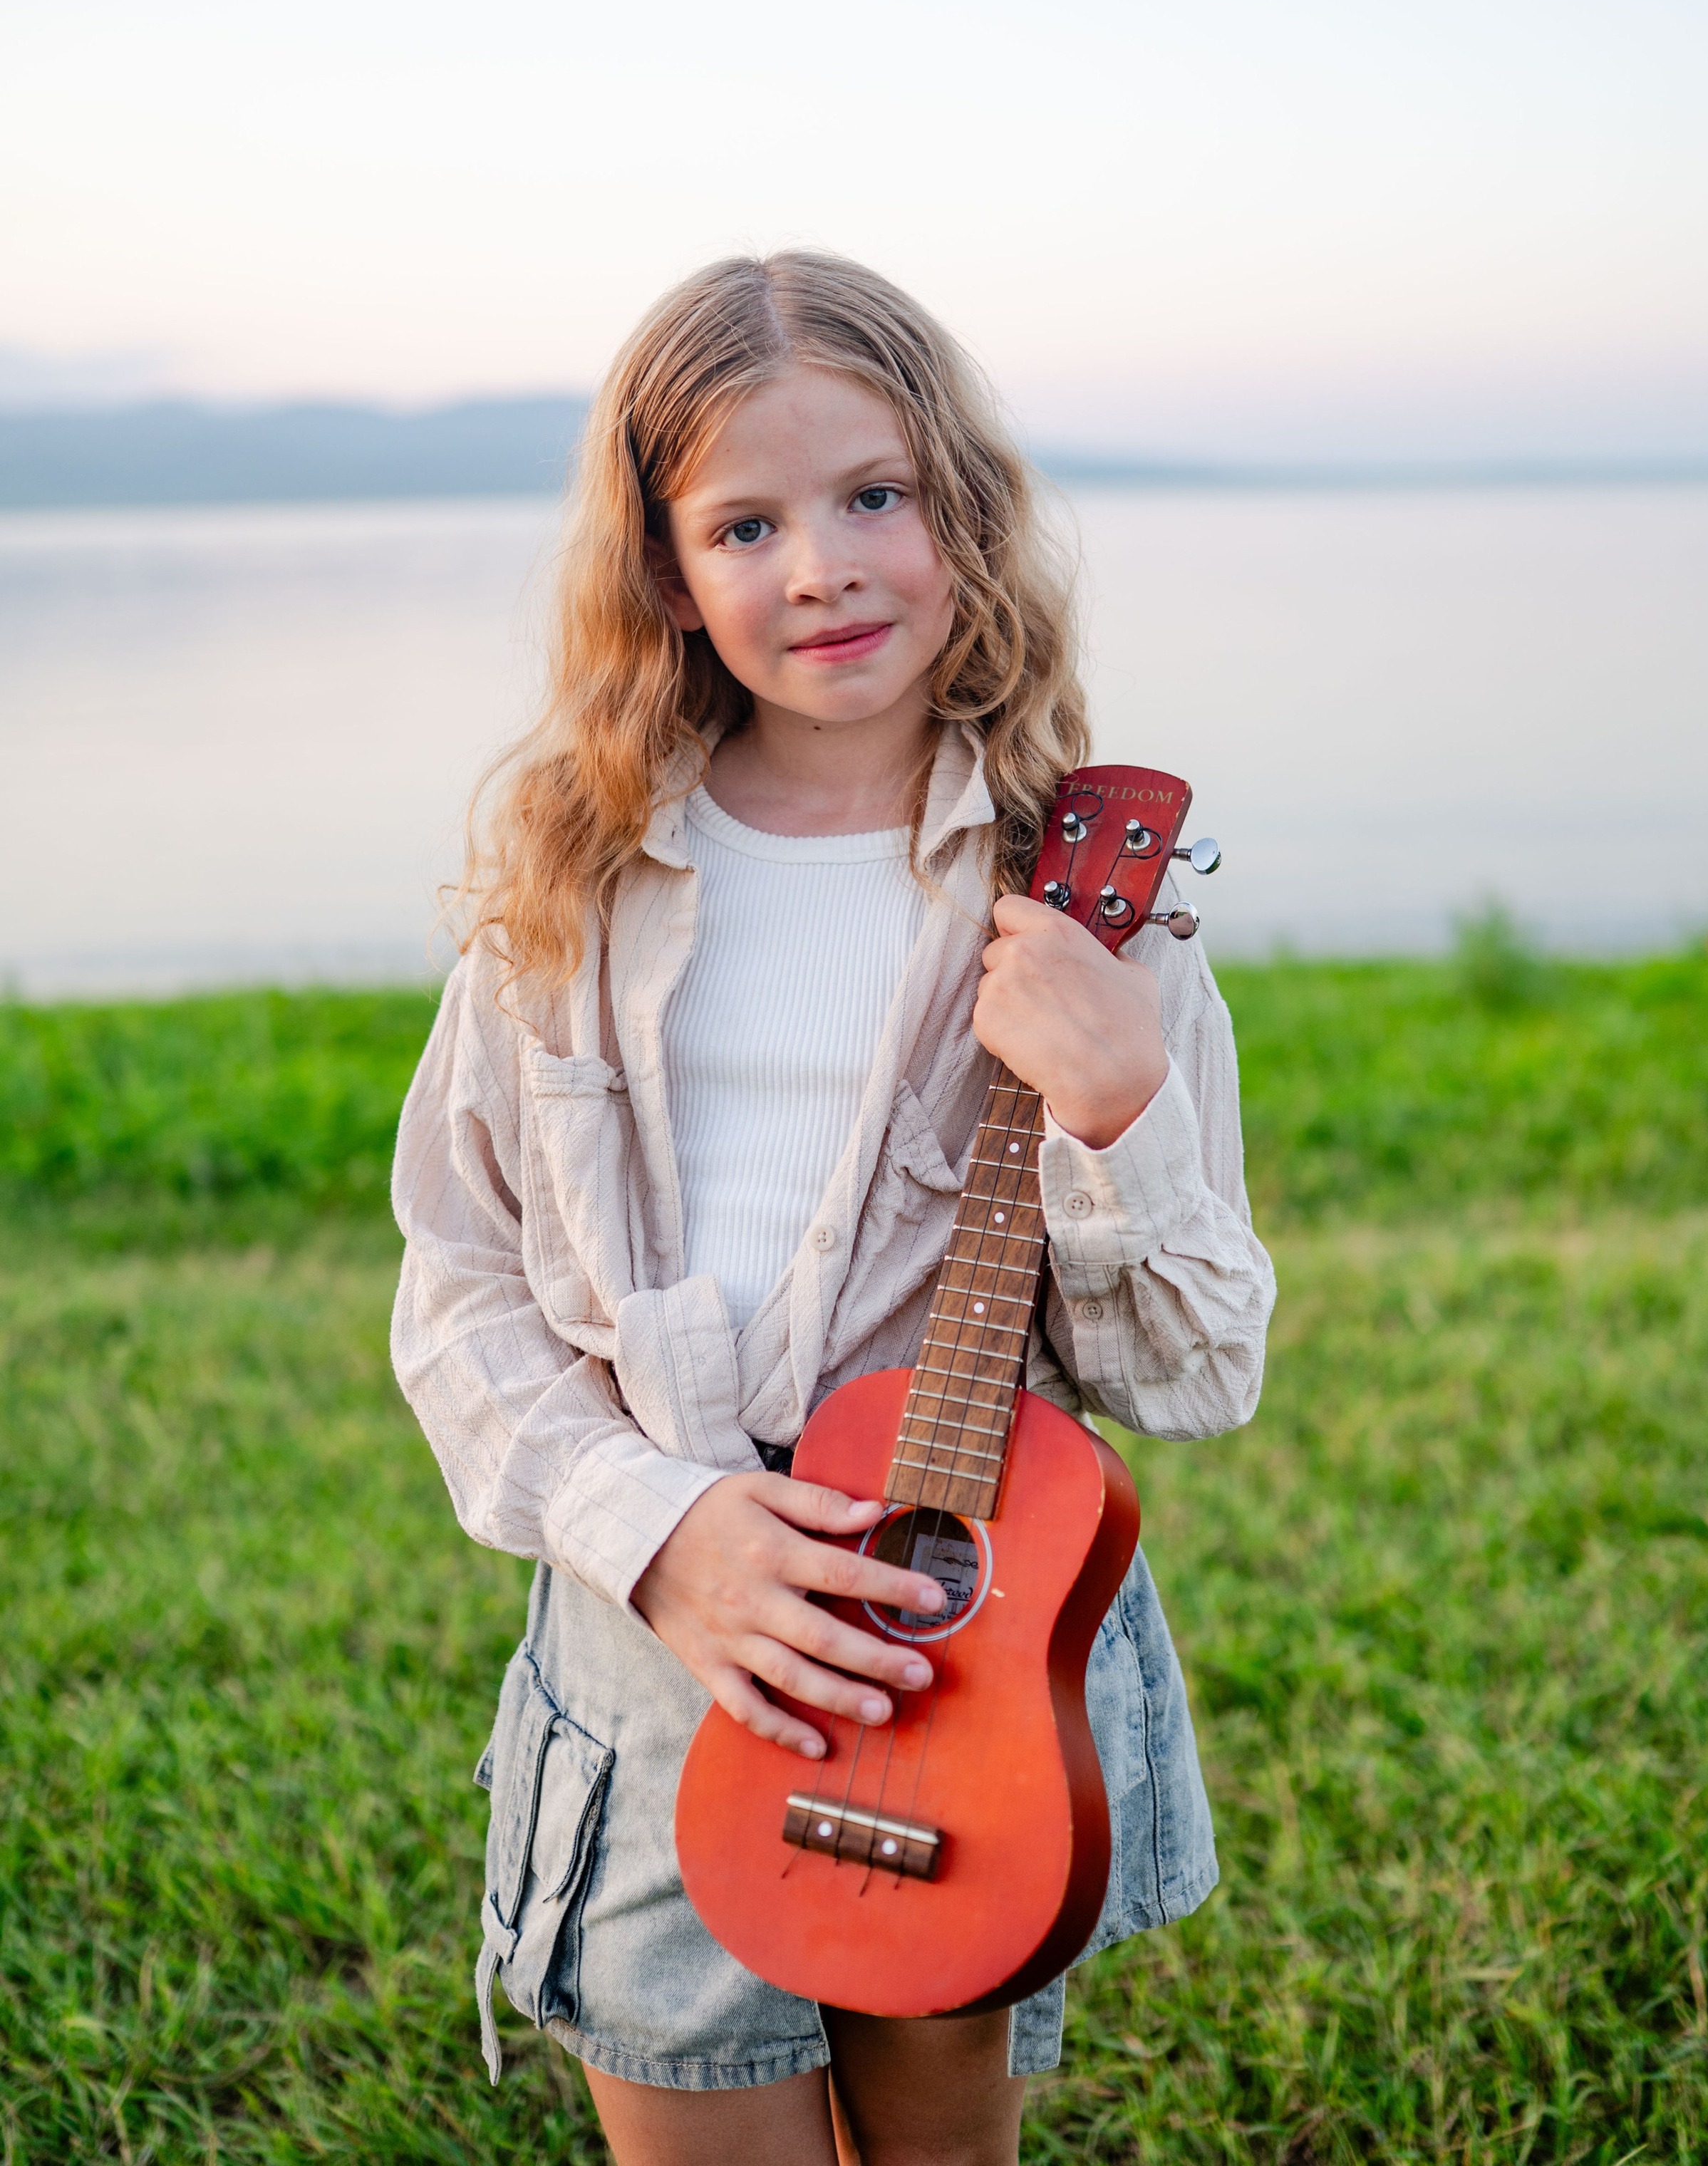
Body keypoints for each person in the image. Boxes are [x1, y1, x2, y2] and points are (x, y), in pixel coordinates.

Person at [391, 252, 1275, 2166]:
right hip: (662, 1624)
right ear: (665, 569)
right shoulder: (575, 889)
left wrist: (1116, 1105)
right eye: (746, 522)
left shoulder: (1081, 906)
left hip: (977, 1639)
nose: (824, 568)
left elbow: (1195, 1375)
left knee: (945, 2136)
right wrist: (667, 1525)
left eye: (877, 496)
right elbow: (460, 1294)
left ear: (961, 508)